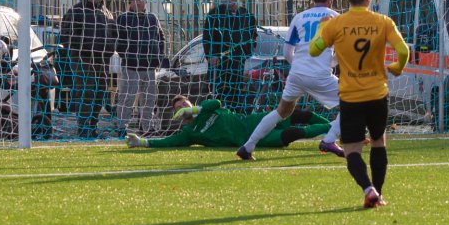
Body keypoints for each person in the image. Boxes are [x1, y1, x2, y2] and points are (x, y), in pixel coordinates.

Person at [309, 0, 410, 208]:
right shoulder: (383, 22)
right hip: (377, 94)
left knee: (352, 149)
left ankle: (368, 189)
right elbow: (403, 51)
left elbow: (314, 50)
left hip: (350, 95)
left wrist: (321, 27)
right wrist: (396, 68)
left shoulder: (336, 24)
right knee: (378, 142)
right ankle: (379, 194)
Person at [237, 0, 344, 160]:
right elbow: (341, 52)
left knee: (281, 112)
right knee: (353, 104)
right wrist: (329, 64)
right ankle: (330, 139)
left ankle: (248, 146)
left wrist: (300, 66)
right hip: (319, 75)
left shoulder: (299, 17)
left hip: (296, 74)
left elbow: (287, 53)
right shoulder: (336, 18)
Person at [126, 96, 332, 149]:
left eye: (184, 103)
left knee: (300, 114)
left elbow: (216, 102)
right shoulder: (191, 133)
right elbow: (169, 142)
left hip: (255, 120)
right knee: (293, 133)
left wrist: (195, 109)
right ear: (177, 115)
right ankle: (337, 128)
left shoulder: (207, 108)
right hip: (252, 138)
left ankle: (336, 128)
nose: (182, 106)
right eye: (178, 106)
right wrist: (142, 142)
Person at [60, 0, 117, 139]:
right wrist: (83, 48)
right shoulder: (76, 11)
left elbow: (114, 35)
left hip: (102, 59)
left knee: (100, 92)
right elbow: (66, 36)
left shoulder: (107, 13)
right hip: (82, 59)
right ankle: (83, 128)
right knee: (86, 92)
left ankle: (93, 126)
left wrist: (109, 49)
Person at [115, 0, 165, 135]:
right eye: (135, 0)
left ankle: (146, 127)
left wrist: (158, 57)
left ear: (145, 2)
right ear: (130, 2)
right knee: (127, 98)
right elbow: (117, 40)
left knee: (149, 99)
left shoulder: (152, 18)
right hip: (131, 67)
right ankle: (122, 127)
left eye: (141, 0)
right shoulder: (123, 18)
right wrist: (127, 55)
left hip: (150, 67)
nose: (138, 3)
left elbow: (161, 38)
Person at [202, 0, 258, 112]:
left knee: (235, 98)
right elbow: (207, 37)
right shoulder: (214, 14)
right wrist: (212, 55)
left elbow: (253, 37)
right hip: (219, 65)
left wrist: (245, 54)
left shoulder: (246, 15)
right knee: (217, 97)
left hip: (237, 64)